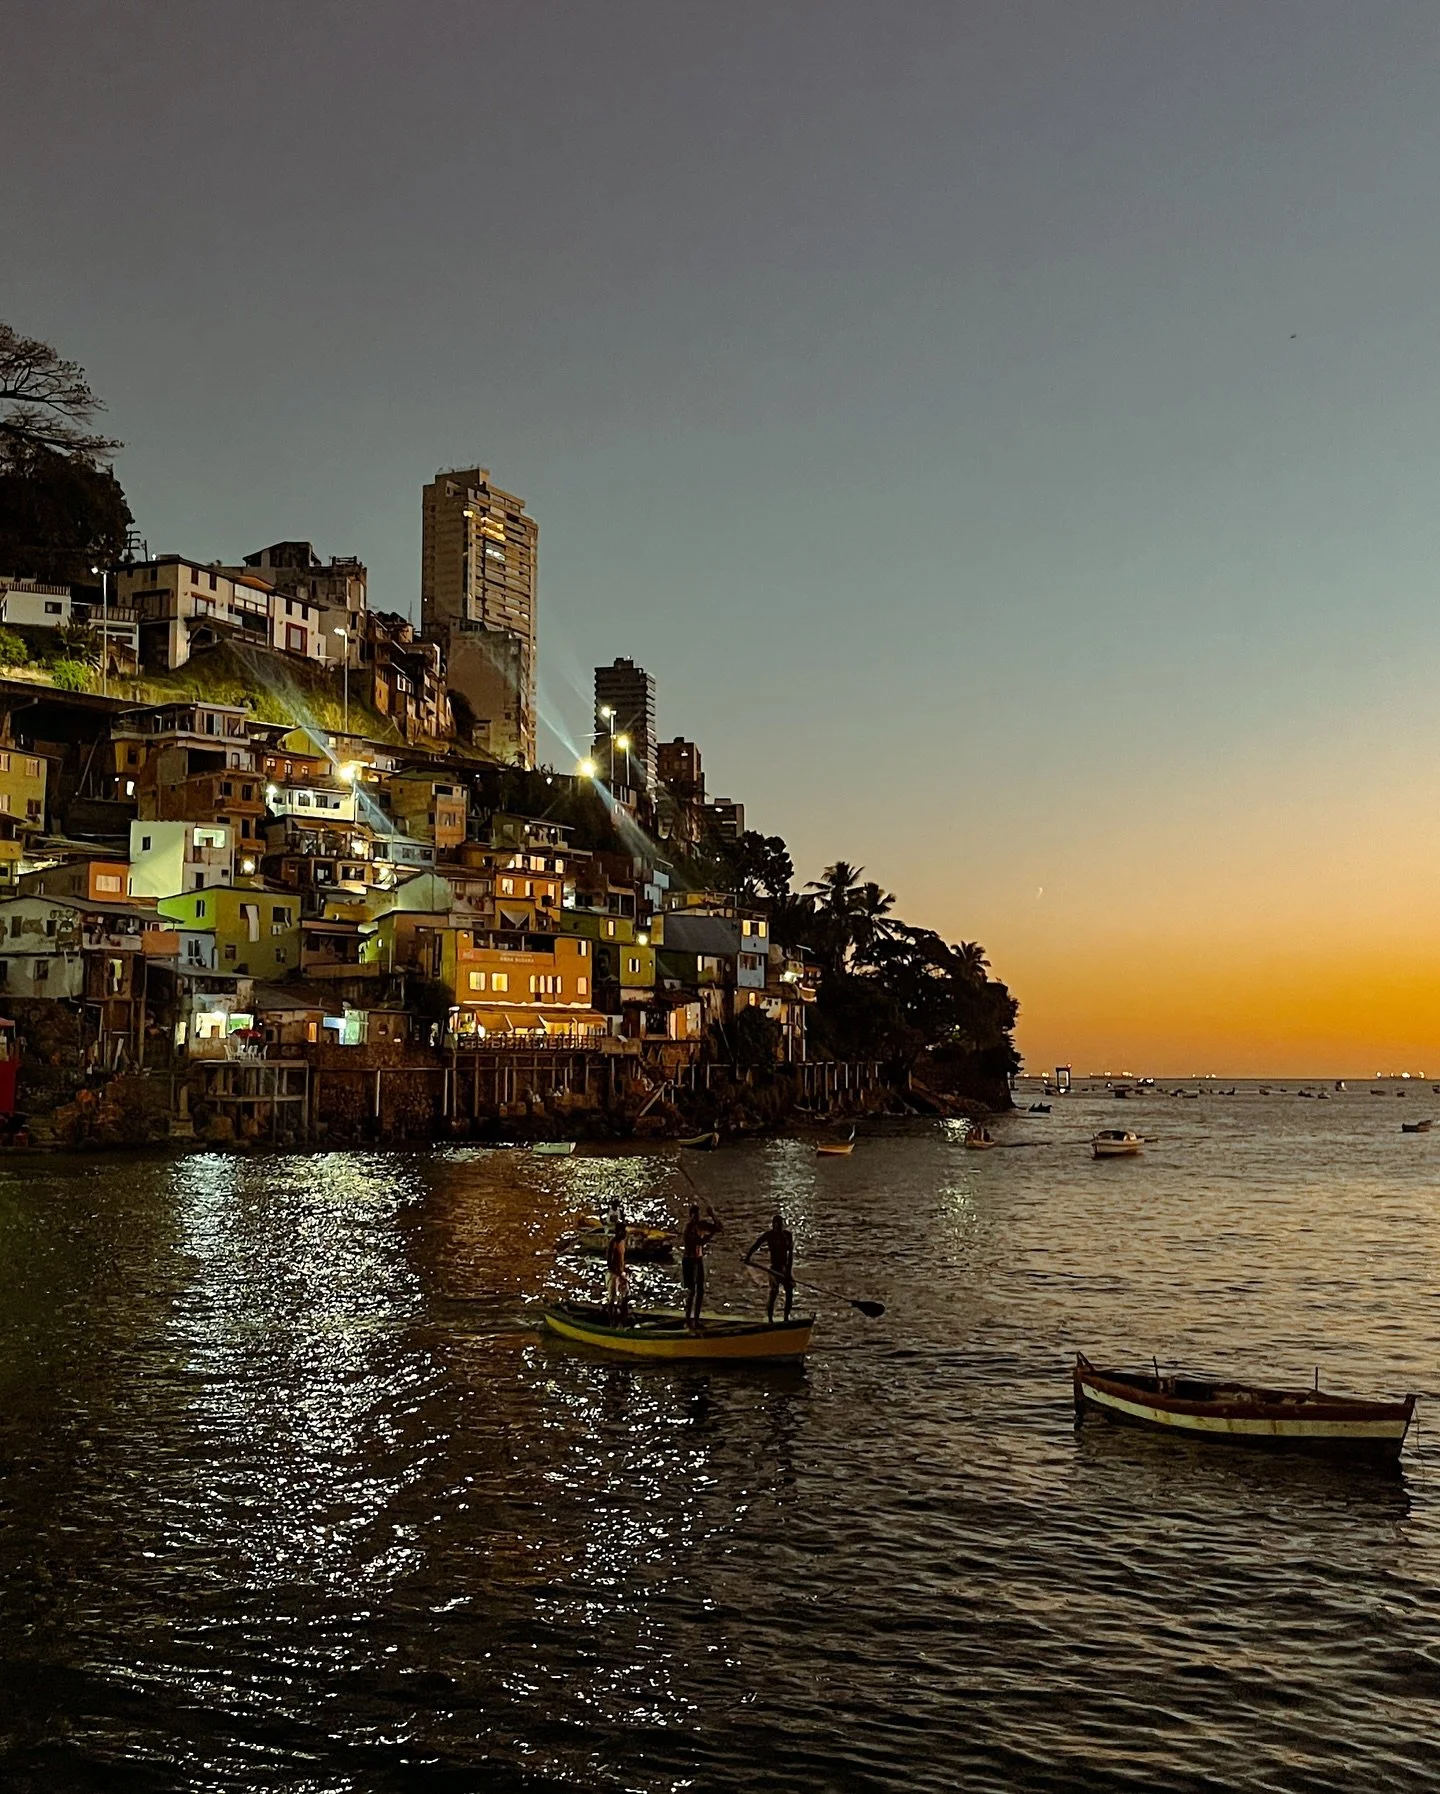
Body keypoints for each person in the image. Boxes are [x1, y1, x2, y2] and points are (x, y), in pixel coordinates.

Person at [745, 1212, 795, 1323]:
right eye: (776, 1227)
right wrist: (748, 1257)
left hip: (785, 1268)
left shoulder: (787, 1236)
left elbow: (790, 1254)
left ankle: (786, 1317)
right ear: (773, 1226)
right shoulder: (769, 1235)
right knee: (774, 1291)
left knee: (789, 1290)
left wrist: (788, 1271)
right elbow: (757, 1244)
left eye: (780, 1227)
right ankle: (770, 1319)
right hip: (773, 1269)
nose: (778, 1229)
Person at [681, 1202, 722, 1330]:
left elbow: (719, 1227)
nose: (697, 1218)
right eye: (695, 1216)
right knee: (692, 1291)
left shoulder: (702, 1225)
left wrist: (713, 1214)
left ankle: (696, 1320)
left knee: (700, 1290)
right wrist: (711, 1234)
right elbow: (700, 1241)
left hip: (698, 1260)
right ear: (691, 1216)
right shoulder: (689, 1229)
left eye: (698, 1215)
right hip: (689, 1260)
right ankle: (688, 1320)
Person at [605, 1219, 629, 1320]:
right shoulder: (613, 1244)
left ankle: (623, 1318)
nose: (625, 1233)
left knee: (626, 1295)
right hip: (613, 1274)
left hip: (620, 1273)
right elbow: (609, 1263)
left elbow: (621, 1259)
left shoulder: (622, 1242)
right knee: (612, 1299)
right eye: (623, 1230)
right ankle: (611, 1321)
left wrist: (625, 1269)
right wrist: (619, 1274)